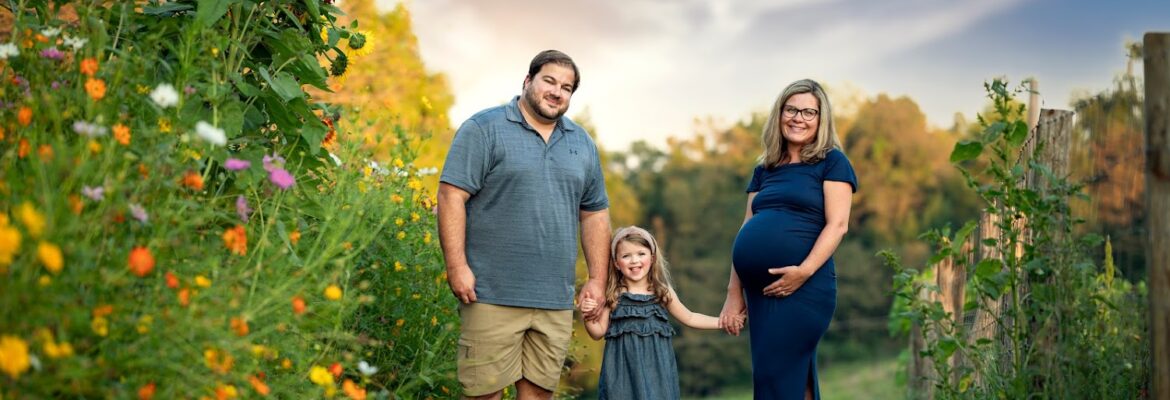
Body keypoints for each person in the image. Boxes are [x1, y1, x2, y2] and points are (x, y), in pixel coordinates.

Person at [437, 50, 611, 400]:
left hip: (554, 301)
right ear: (528, 81)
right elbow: (450, 196)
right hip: (490, 293)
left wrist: (597, 279)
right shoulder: (484, 129)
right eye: (549, 81)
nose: (557, 91)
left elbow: (595, 214)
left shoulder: (582, 143)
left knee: (538, 396)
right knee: (483, 394)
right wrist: (456, 267)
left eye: (567, 87)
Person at [718, 79, 857, 399]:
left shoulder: (832, 162)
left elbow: (838, 225)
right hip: (759, 292)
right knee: (786, 375)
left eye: (810, 112)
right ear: (779, 114)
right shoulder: (764, 168)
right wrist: (733, 292)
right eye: (791, 109)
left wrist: (803, 271)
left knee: (775, 374)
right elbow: (746, 226)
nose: (799, 118)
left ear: (822, 120)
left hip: (805, 287)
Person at [579, 226, 739, 400]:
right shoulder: (613, 295)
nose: (634, 260)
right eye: (626, 256)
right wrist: (587, 315)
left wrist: (723, 321)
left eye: (641, 253)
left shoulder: (662, 292)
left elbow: (690, 317)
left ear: (652, 258)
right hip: (622, 375)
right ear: (617, 263)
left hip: (657, 373)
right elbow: (597, 332)